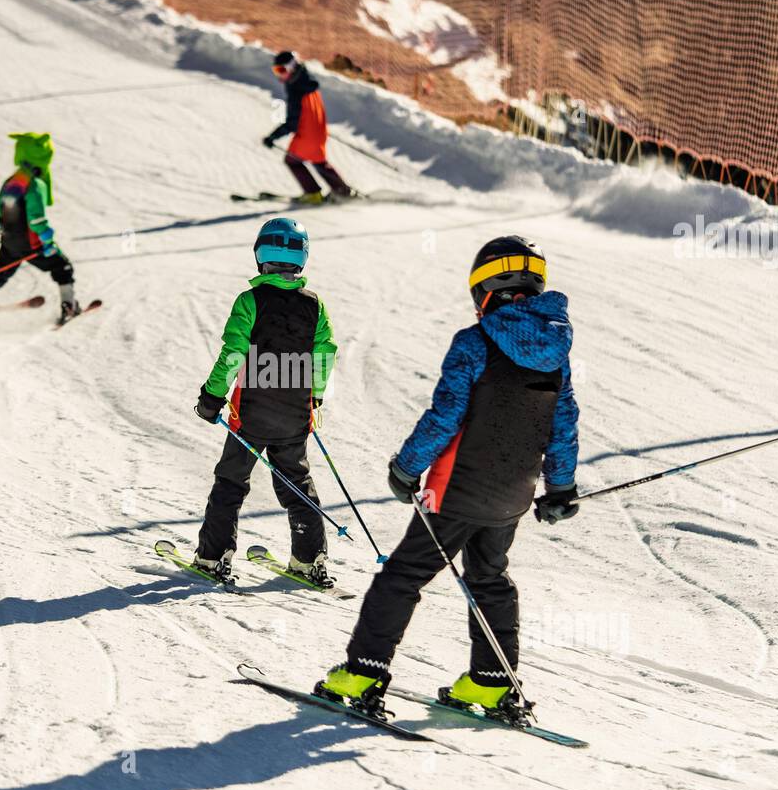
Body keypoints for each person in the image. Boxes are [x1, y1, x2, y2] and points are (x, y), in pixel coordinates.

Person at [316, 235, 580, 721]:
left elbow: (446, 416)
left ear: (483, 291)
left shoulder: (475, 342)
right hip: (512, 495)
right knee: (489, 578)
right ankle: (491, 682)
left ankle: (363, 672)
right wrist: (560, 487)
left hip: (457, 490)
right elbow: (562, 423)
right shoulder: (557, 351)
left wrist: (406, 468)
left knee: (403, 576)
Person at [191, 218, 338, 585]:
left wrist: (212, 396)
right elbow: (324, 355)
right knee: (296, 481)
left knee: (231, 480)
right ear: (301, 259)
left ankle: (214, 557)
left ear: (260, 255)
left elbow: (234, 353)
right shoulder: (315, 306)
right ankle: (310, 559)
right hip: (294, 415)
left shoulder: (250, 301)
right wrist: (314, 397)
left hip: (251, 414)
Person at [0, 132, 80, 325]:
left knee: (1, 268)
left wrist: (6, 232)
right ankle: (69, 305)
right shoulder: (33, 185)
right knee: (62, 266)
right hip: (32, 243)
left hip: (10, 239)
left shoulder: (12, 181)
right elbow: (36, 219)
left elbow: (2, 209)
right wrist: (47, 240)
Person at [263, 51, 354, 205]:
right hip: (318, 131)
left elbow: (292, 122)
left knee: (293, 161)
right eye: (276, 71)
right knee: (318, 161)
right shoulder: (306, 80)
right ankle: (342, 191)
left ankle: (313, 194)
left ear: (291, 67)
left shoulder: (296, 89)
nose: (279, 75)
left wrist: (272, 137)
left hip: (306, 134)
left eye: (281, 70)